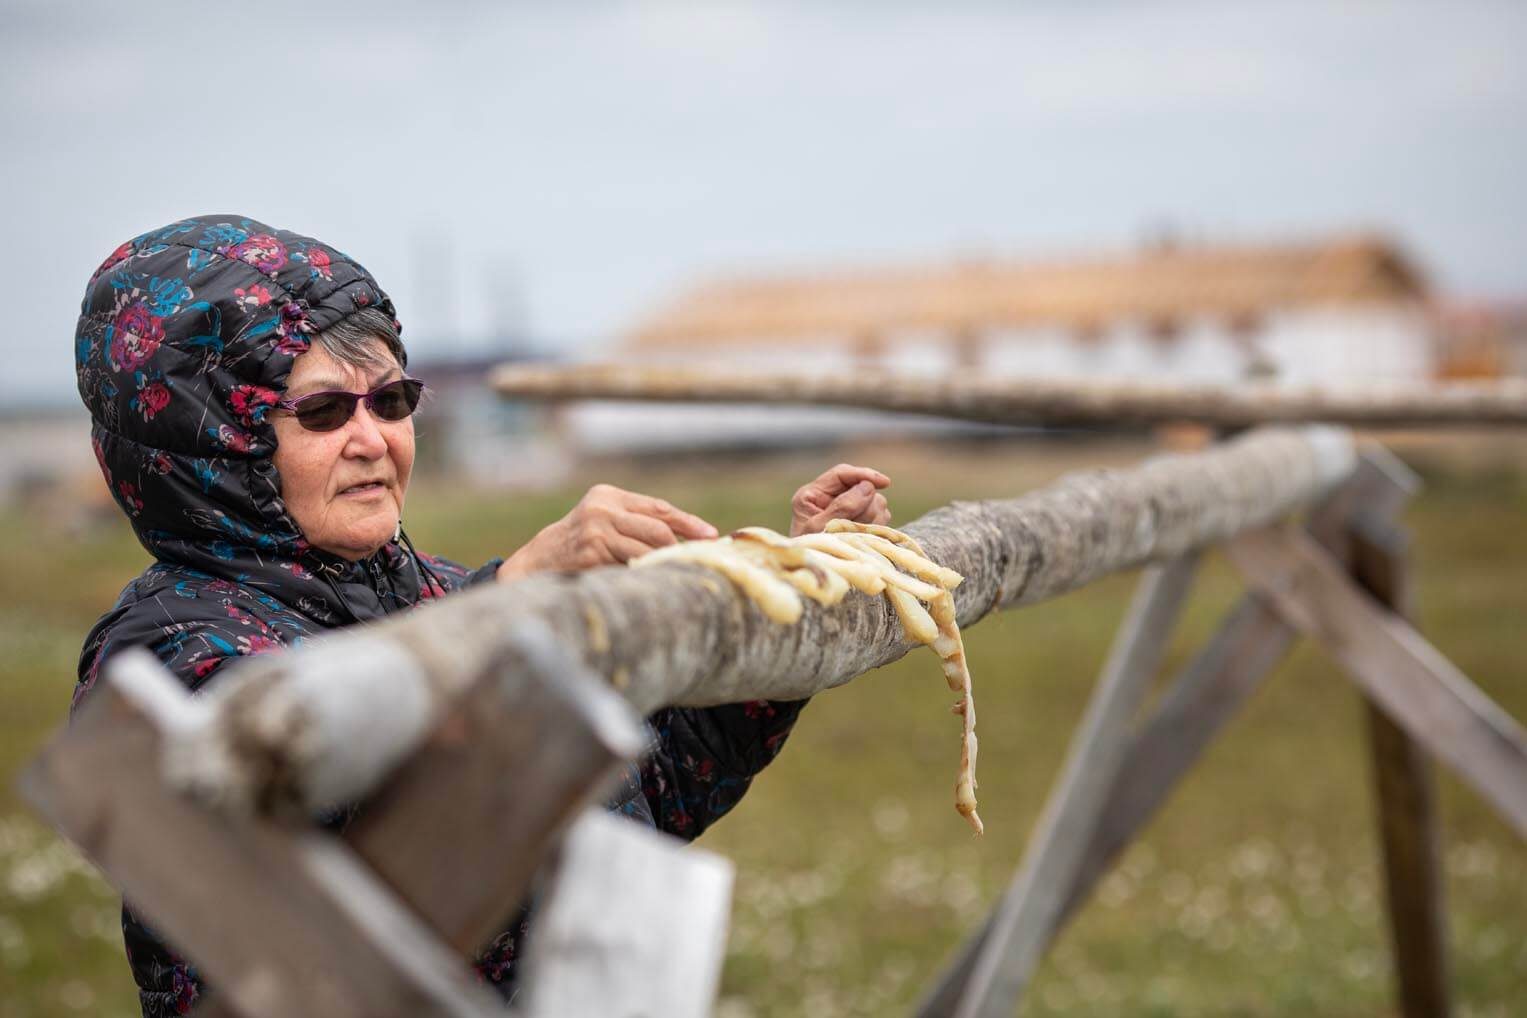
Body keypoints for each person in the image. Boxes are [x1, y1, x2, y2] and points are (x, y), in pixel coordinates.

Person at [73, 215, 893, 1015]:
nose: (372, 439)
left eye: (391, 400)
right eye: (323, 412)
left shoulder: (431, 590)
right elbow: (338, 841)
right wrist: (508, 606)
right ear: (210, 444)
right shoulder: (168, 647)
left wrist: (796, 583)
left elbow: (644, 790)